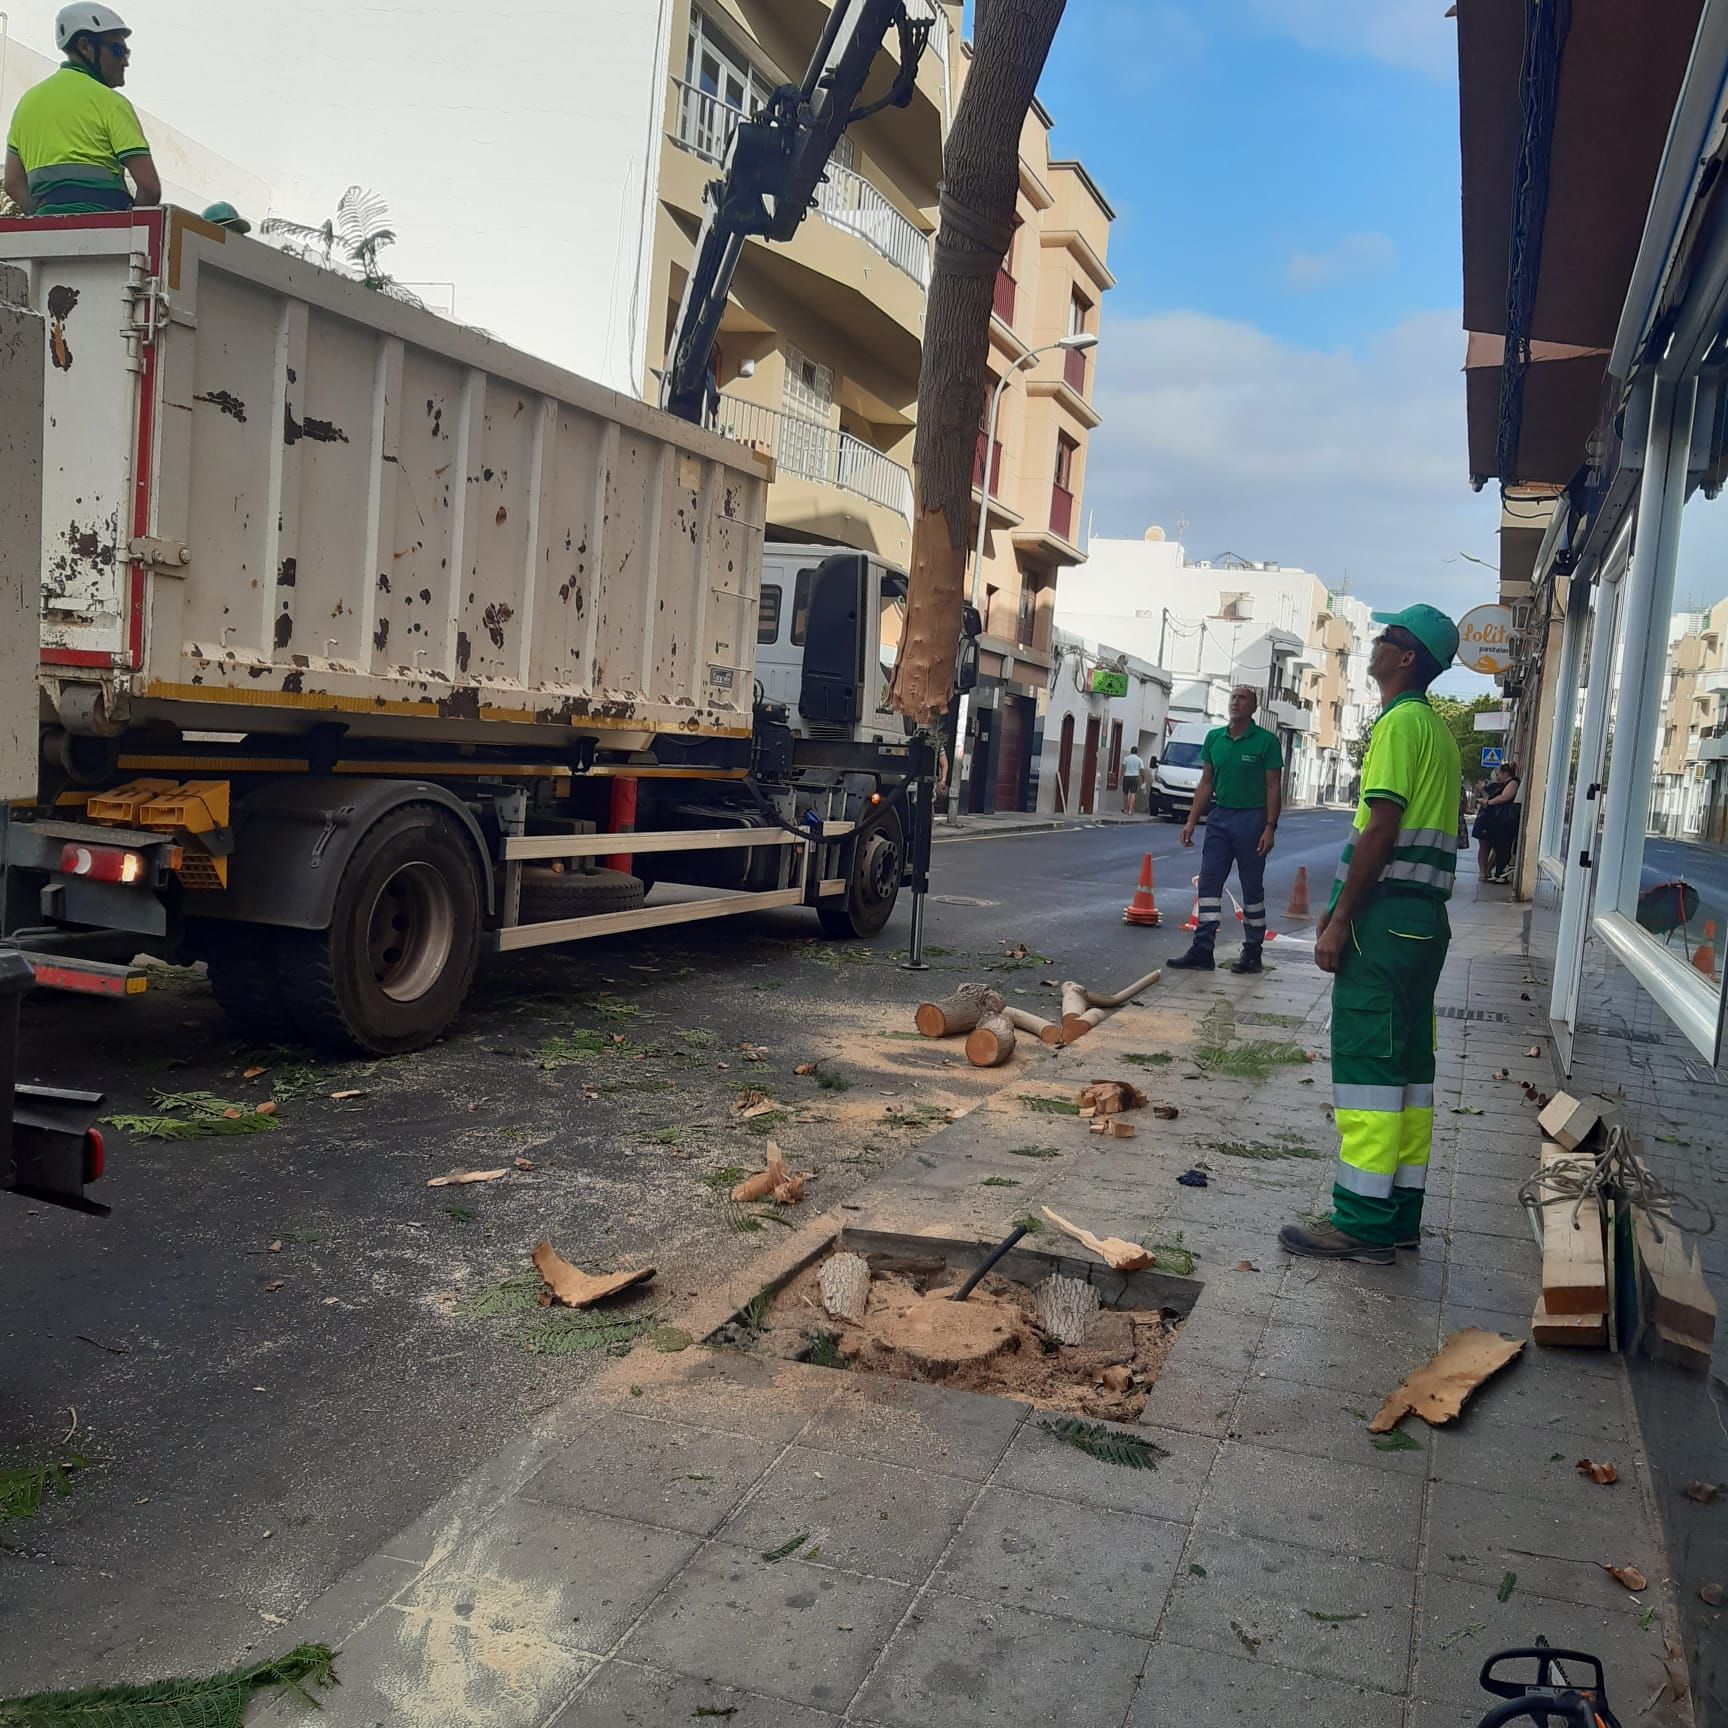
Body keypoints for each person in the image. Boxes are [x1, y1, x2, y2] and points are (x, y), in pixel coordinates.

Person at [1279, 604, 1463, 1264]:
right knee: (1410, 1071)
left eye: (1386, 638)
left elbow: (1380, 830)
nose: (1376, 646)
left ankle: (1359, 1222)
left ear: (1406, 657)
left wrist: (1339, 921)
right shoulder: (1437, 733)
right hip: (1425, 923)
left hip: (1384, 922)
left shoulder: (1399, 725)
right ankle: (1399, 1217)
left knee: (1368, 1071)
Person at [1168, 685, 1283, 974]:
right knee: (1208, 884)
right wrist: (1192, 820)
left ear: (1253, 707)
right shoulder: (1214, 738)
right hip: (1220, 819)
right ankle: (1202, 949)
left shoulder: (1266, 742)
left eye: (1242, 698)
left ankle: (1253, 952)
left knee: (1251, 889)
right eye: (1233, 697)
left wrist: (1270, 827)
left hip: (1252, 820)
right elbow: (1206, 783)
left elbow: (1273, 786)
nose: (1235, 702)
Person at [4, 7, 159, 217]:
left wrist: (44, 216)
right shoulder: (111, 102)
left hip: (44, 232)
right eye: (118, 50)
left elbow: (13, 183)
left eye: (126, 52)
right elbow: (149, 188)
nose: (125, 61)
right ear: (85, 47)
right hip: (107, 233)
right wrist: (126, 228)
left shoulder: (26, 104)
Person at [1477, 762, 1520, 883]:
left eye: (1499, 774)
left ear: (1505, 773)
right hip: (1497, 821)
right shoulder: (1502, 785)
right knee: (1494, 848)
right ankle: (1489, 872)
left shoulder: (1512, 783)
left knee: (1501, 849)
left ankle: (1498, 872)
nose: (1497, 777)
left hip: (1504, 821)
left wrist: (1488, 803)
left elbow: (1504, 798)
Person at [1121, 744, 1145, 816]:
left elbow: (1123, 768)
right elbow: (1142, 770)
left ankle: (1125, 809)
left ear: (1130, 751)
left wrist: (1121, 777)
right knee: (1133, 793)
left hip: (1127, 777)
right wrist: (1143, 779)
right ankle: (1130, 811)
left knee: (1125, 793)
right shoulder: (1139, 760)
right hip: (1135, 777)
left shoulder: (1126, 758)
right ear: (1137, 752)